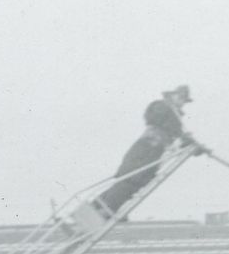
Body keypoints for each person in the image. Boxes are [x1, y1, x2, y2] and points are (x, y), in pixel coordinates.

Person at [81, 86, 197, 232]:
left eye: (184, 100)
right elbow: (162, 121)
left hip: (154, 150)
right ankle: (100, 212)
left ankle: (101, 210)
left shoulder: (173, 115)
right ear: (172, 95)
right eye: (180, 98)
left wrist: (187, 140)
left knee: (137, 181)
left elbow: (175, 130)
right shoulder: (161, 107)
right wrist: (184, 136)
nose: (181, 102)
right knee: (132, 179)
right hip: (146, 148)